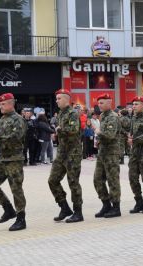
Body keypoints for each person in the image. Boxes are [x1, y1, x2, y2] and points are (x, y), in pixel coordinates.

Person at [0, 93, 27, 231]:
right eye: (0, 104)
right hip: (3, 159)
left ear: (11, 104)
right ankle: (8, 209)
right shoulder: (3, 119)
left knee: (16, 188)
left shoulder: (18, 119)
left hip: (14, 159)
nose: (0, 106)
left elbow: (15, 137)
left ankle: (21, 219)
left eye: (3, 104)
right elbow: (2, 136)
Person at [48, 88, 84, 223]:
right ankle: (64, 207)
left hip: (73, 153)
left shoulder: (72, 113)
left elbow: (73, 130)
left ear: (66, 99)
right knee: (53, 180)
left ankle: (78, 212)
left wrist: (59, 130)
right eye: (56, 99)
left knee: (73, 182)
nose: (56, 101)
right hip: (62, 152)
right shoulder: (61, 114)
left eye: (59, 99)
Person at [92, 94, 122, 218]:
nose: (100, 105)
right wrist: (98, 139)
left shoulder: (113, 117)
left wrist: (99, 132)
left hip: (111, 153)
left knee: (112, 180)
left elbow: (110, 135)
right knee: (97, 179)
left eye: (102, 103)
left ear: (110, 103)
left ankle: (116, 207)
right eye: (99, 103)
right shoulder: (103, 116)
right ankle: (106, 204)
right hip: (102, 152)